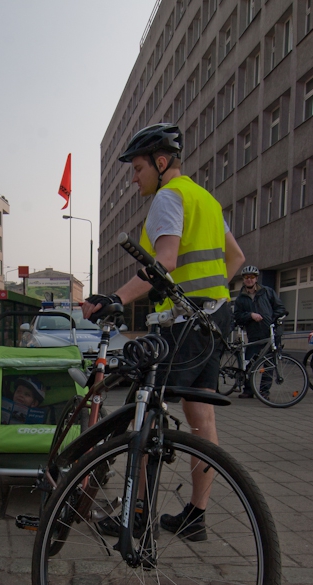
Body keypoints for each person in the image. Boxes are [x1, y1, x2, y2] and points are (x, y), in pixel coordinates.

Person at [83, 123, 245, 541]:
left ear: (160, 162)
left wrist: (116, 299)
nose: (133, 177)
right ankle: (196, 516)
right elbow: (236, 257)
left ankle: (137, 515)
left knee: (146, 409)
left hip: (185, 324)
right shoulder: (205, 200)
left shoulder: (168, 197)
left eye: (137, 168)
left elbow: (166, 260)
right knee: (200, 417)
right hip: (215, 319)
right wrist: (212, 297)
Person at [233, 265, 287, 399]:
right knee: (250, 363)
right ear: (243, 279)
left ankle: (264, 392)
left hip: (271, 333)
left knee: (269, 365)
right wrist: (250, 315)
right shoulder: (241, 298)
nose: (249, 280)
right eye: (246, 277)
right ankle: (249, 390)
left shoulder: (267, 292)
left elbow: (280, 308)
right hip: (254, 335)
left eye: (252, 277)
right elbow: (238, 316)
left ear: (256, 278)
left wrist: (272, 321)